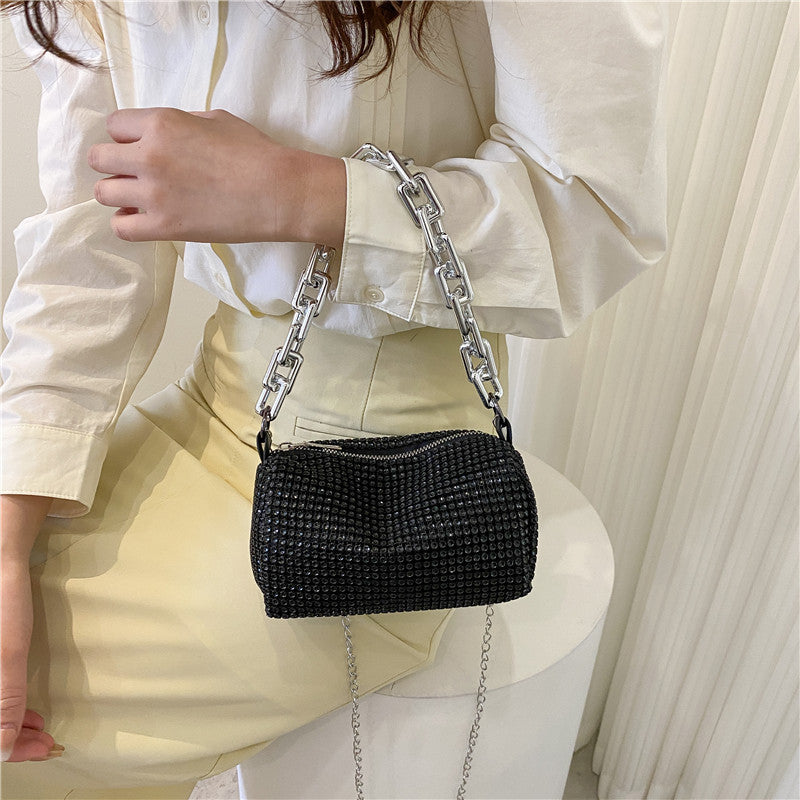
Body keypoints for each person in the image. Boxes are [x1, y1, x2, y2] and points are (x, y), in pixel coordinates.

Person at [0, 1, 668, 797]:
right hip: (217, 396)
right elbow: (85, 244)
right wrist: (9, 527)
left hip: (388, 477)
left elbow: (598, 209)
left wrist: (305, 193)